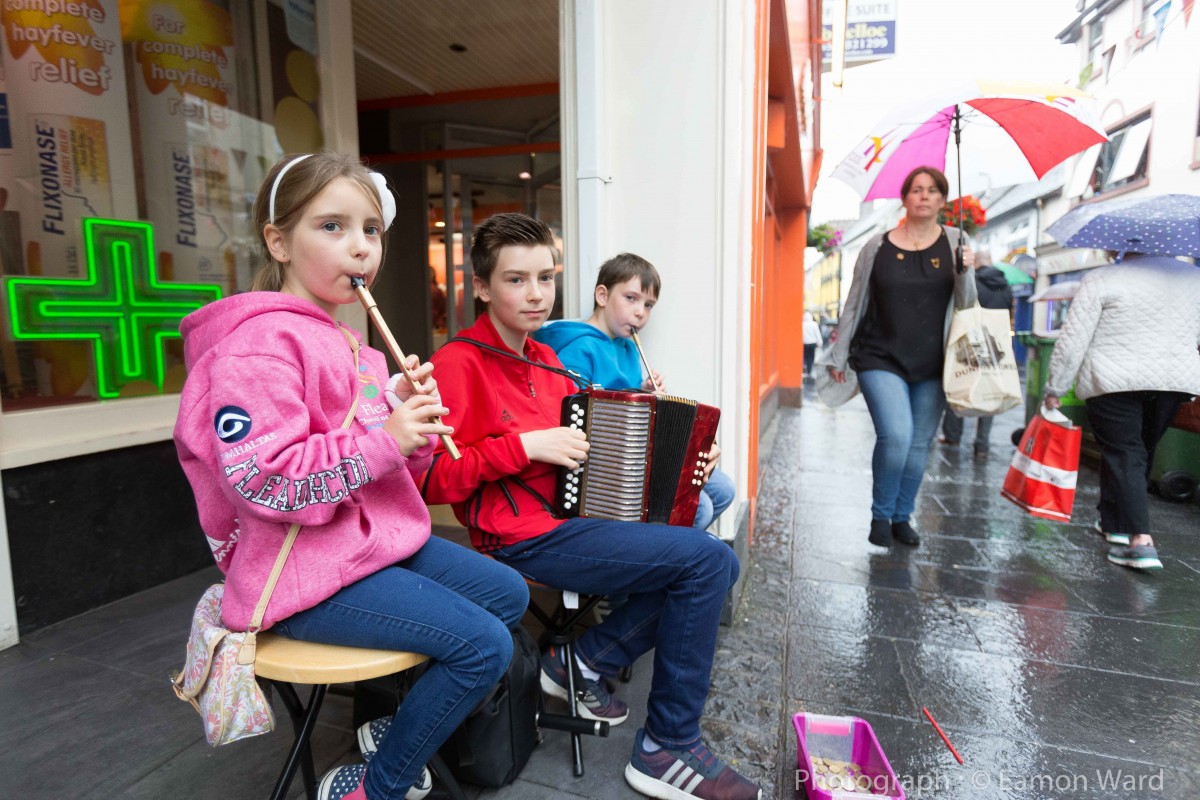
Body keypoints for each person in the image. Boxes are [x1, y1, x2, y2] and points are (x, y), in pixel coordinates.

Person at [173, 153, 530, 800]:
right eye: (332, 226)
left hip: (365, 548)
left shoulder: (353, 345)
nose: (360, 247)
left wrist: (409, 426)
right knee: (483, 647)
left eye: (371, 230)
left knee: (509, 595)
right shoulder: (257, 348)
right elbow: (267, 482)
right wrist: (384, 440)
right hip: (298, 573)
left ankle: (397, 724)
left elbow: (390, 473)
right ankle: (379, 785)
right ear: (278, 241)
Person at [422, 213, 760, 800]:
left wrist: (682, 473)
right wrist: (522, 446)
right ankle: (666, 746)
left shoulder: (549, 364)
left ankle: (577, 662)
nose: (535, 294)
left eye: (546, 278)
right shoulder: (458, 363)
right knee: (706, 562)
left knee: (719, 561)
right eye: (515, 280)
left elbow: (599, 460)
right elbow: (432, 480)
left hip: (572, 518)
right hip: (518, 533)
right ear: (481, 286)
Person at [826, 166, 977, 548]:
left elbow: (968, 305)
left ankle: (902, 516)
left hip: (934, 362)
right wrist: (839, 355)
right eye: (915, 189)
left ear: (943, 200)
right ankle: (880, 515)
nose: (923, 196)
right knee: (897, 435)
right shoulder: (877, 246)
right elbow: (854, 302)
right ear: (905, 198)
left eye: (931, 190)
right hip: (880, 355)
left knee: (920, 443)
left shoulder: (958, 242)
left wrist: (967, 271)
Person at [532, 252, 734, 530]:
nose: (641, 312)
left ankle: (673, 548)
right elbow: (574, 412)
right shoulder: (578, 348)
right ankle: (668, 557)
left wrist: (643, 390)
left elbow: (624, 398)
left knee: (724, 490)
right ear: (602, 296)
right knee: (700, 511)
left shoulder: (628, 346)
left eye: (649, 305)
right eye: (631, 298)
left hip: (636, 449)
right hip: (604, 463)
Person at [1044, 252, 1200, 571]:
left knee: (1124, 451)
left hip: (1113, 379)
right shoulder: (1192, 278)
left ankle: (1139, 541)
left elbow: (1074, 340)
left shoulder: (1103, 278)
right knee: (1138, 450)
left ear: (1122, 245)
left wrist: (1055, 387)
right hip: (1172, 382)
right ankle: (1113, 522)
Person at [939, 253, 1013, 457]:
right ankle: (982, 445)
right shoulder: (1006, 287)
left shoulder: (973, 282)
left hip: (971, 340)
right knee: (991, 390)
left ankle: (953, 436)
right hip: (997, 344)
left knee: (961, 384)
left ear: (977, 263)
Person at [802, 312, 824, 376]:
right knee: (811, 357)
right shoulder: (814, 324)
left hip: (804, 343)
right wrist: (820, 342)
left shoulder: (802, 324)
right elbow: (817, 334)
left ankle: (804, 366)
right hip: (812, 344)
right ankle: (809, 370)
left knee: (804, 356)